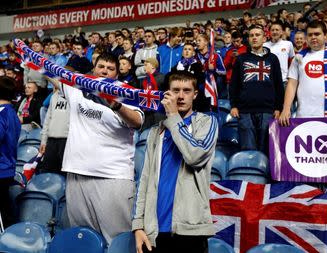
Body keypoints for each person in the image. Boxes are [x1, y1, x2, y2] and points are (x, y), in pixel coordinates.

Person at [47, 53, 144, 244]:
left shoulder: (126, 92)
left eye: (110, 68)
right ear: (94, 68)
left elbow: (138, 121)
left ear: (116, 75)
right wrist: (27, 54)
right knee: (82, 236)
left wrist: (116, 105)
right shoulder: (76, 88)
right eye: (101, 66)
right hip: (77, 173)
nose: (105, 71)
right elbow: (50, 72)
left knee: (118, 239)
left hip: (112, 176)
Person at [132, 71, 218, 253]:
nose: (180, 96)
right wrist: (138, 225)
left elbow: (195, 155)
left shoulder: (207, 122)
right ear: (167, 94)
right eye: (175, 90)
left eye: (186, 91)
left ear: (195, 94)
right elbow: (145, 179)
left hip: (190, 230)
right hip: (153, 230)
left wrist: (173, 117)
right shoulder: (156, 131)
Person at [279, 21, 327, 126]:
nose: (313, 37)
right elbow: (292, 84)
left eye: (317, 34)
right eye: (310, 35)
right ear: (306, 38)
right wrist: (286, 108)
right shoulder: (298, 58)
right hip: (304, 116)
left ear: (325, 36)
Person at [229, 25, 284, 153]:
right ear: (248, 39)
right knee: (248, 151)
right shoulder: (241, 59)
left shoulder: (273, 59)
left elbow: (278, 85)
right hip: (245, 110)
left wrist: (278, 107)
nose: (254, 38)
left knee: (266, 149)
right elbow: (234, 84)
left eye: (257, 35)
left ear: (264, 38)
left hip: (267, 109)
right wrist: (233, 105)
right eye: (251, 35)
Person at [0, 76, 21, 228]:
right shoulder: (12, 113)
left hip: (1, 168)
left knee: (4, 214)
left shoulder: (2, 114)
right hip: (6, 168)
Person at [38, 85, 69, 174]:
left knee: (64, 174)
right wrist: (43, 141)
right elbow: (47, 119)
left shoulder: (76, 96)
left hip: (67, 141)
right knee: (47, 173)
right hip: (51, 141)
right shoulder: (54, 96)